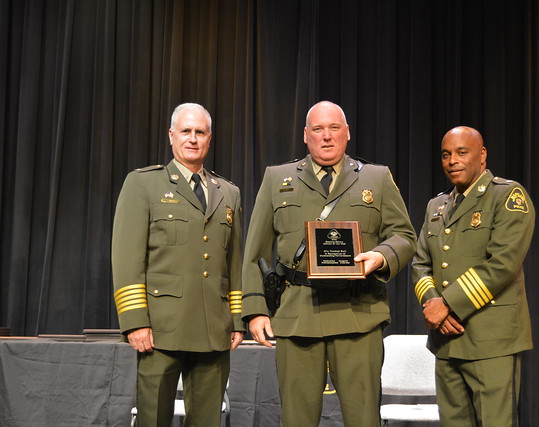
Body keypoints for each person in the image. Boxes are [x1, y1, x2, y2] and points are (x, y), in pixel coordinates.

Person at [241, 100, 416, 426]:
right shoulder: (277, 178)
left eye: (334, 128)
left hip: (359, 315)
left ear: (346, 133)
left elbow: (404, 236)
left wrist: (380, 256)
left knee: (364, 419)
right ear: (306, 135)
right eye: (318, 129)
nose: (326, 136)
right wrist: (255, 310)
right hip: (298, 315)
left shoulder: (376, 179)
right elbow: (256, 254)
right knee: (296, 420)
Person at [112, 103, 244, 427]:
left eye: (200, 132)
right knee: (153, 419)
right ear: (172, 136)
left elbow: (235, 263)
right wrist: (134, 320)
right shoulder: (143, 184)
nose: (193, 139)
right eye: (186, 131)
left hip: (214, 330)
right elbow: (127, 257)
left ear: (209, 138)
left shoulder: (229, 193)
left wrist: (236, 320)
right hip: (160, 330)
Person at [412, 126, 535, 426]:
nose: (452, 160)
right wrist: (434, 307)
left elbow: (502, 264)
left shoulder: (507, 196)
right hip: (445, 340)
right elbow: (420, 264)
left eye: (461, 152)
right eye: (446, 154)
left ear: (482, 155)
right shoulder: (436, 206)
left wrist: (448, 304)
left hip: (491, 341)